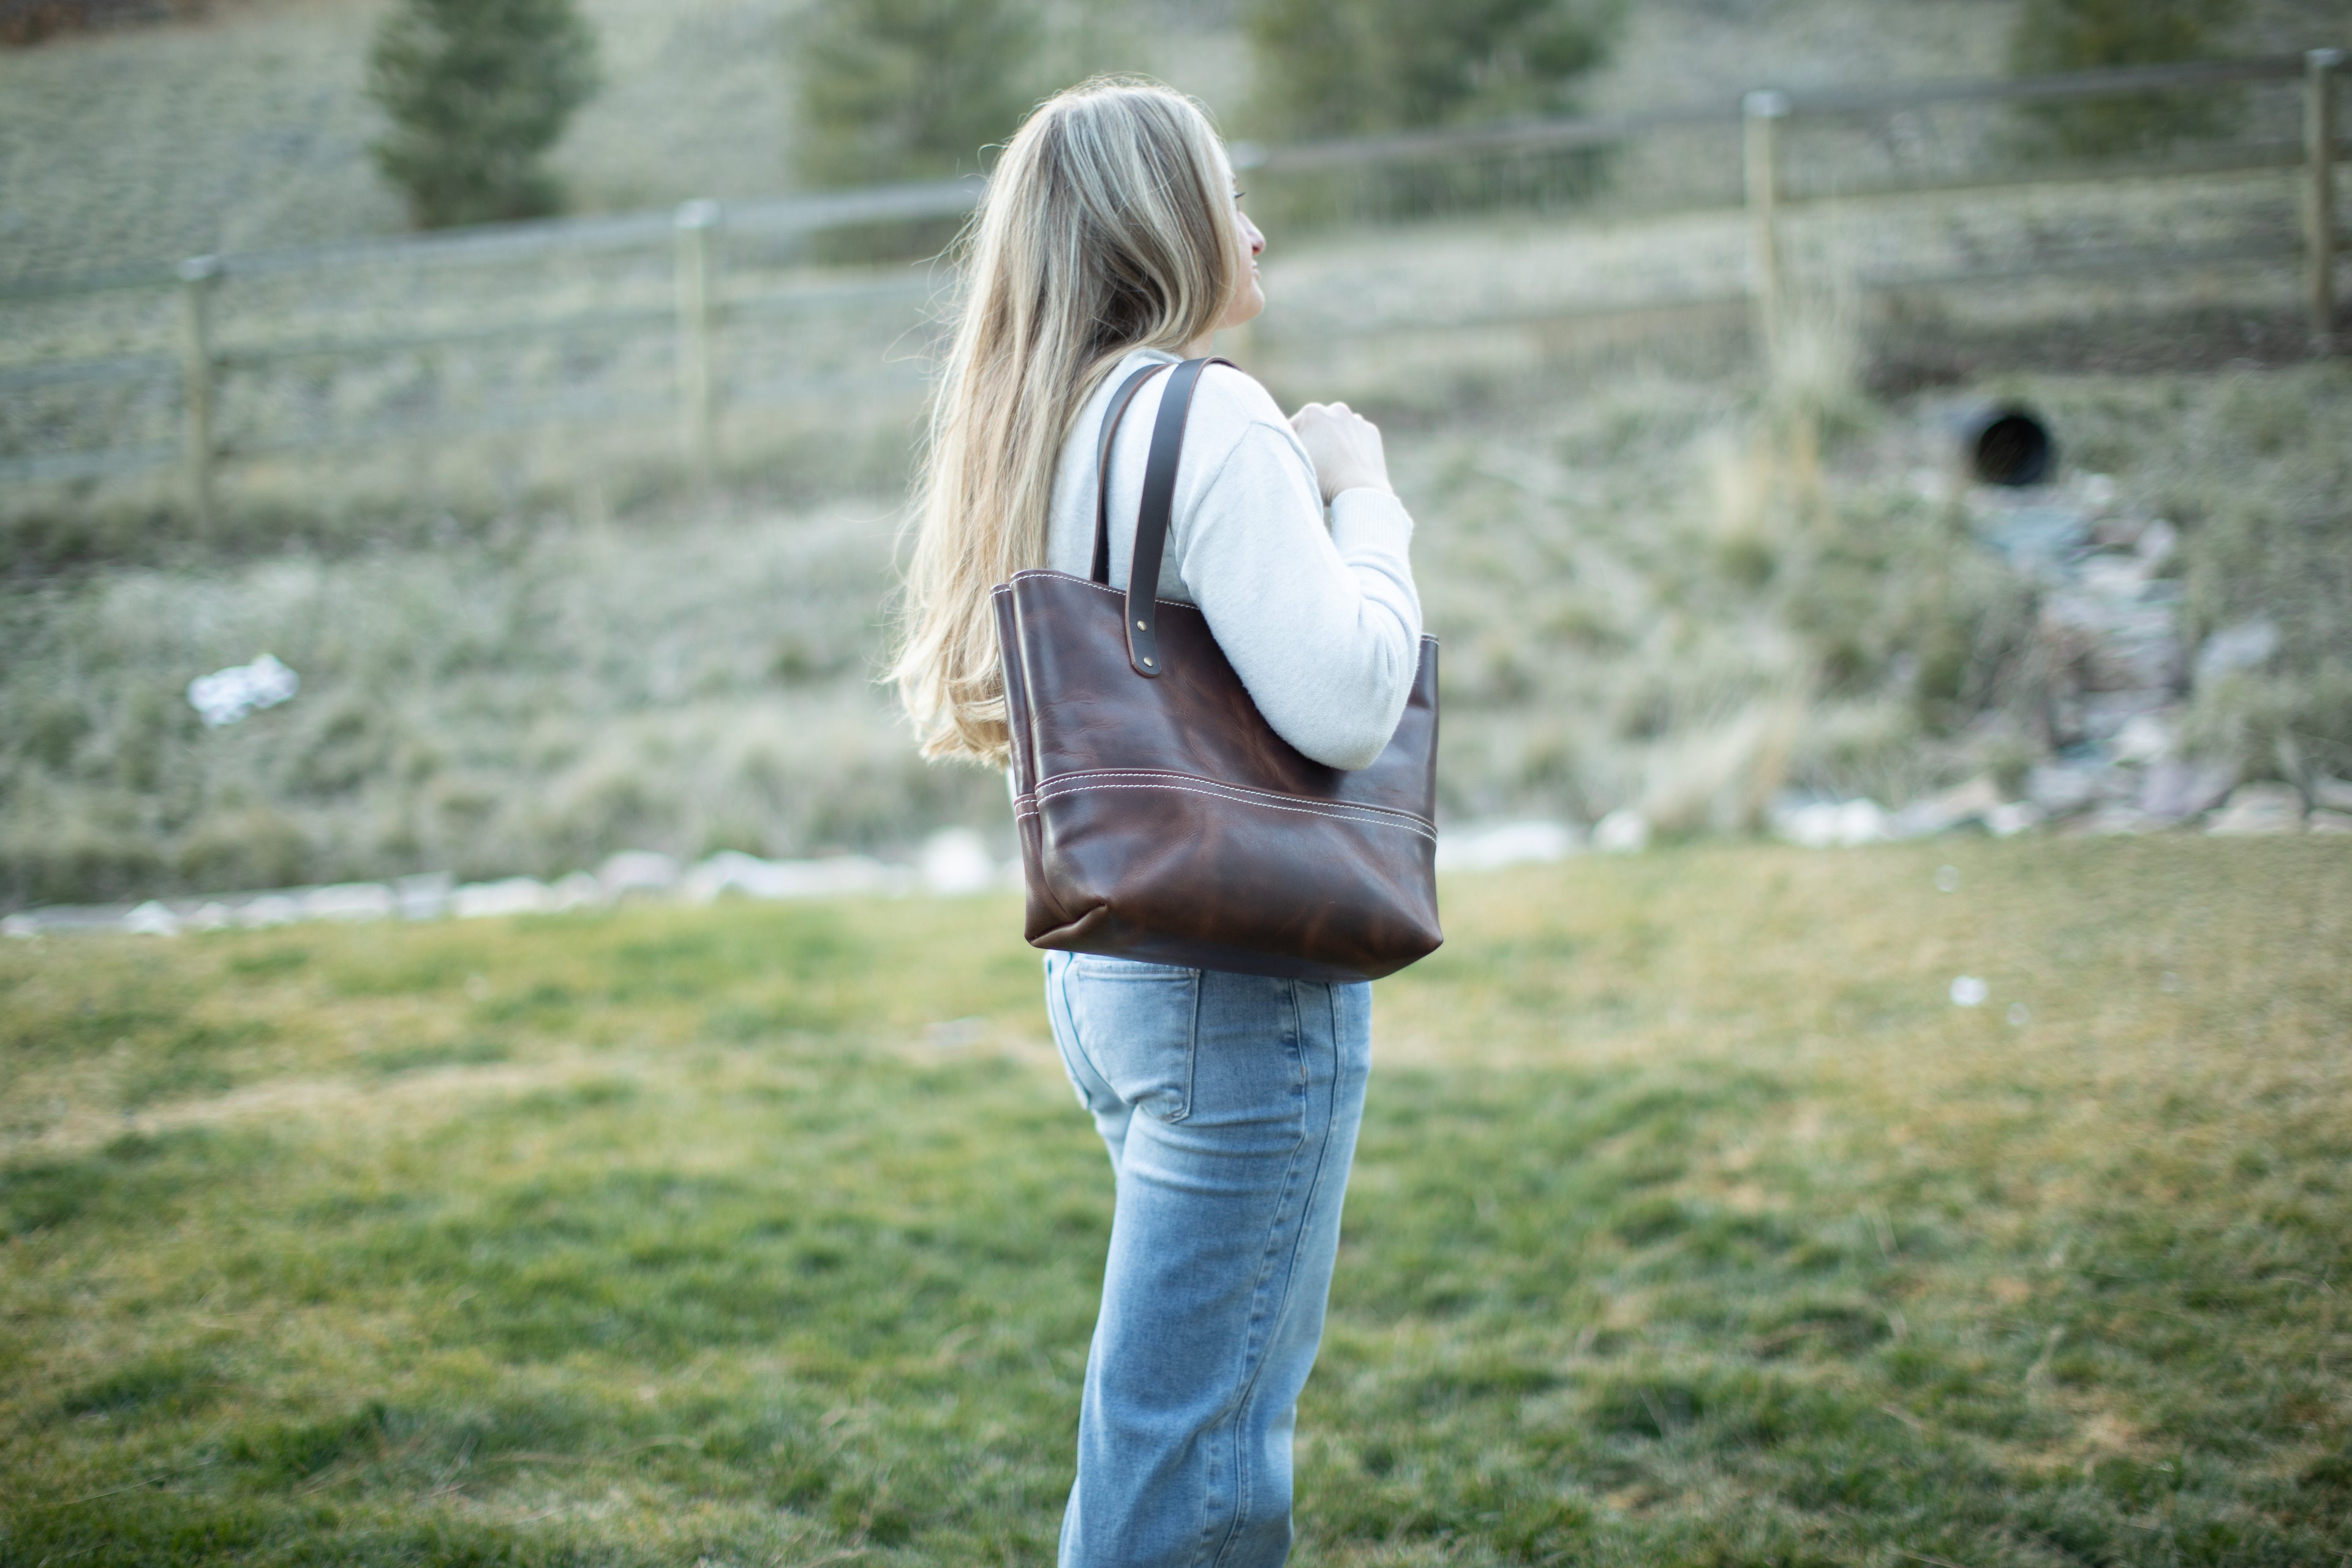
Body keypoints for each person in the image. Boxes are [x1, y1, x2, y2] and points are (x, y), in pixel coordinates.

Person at [891, 77, 1423, 1568]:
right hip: (1234, 982)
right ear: (1165, 224)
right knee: (1195, 1460)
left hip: (1107, 971)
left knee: (1170, 1424)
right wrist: (1366, 501)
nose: (1253, 224)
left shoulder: (1041, 420)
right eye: (1225, 190)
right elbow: (1348, 699)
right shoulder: (1212, 416)